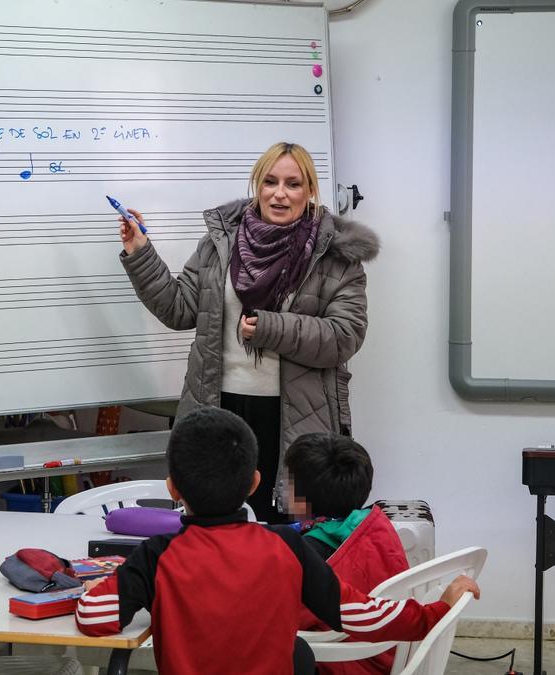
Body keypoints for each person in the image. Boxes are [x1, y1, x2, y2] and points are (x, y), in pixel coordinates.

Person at [74, 408, 478, 675]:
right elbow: (359, 614)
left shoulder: (155, 556)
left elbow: (93, 619)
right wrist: (435, 609)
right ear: (253, 483)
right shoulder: (287, 546)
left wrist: (100, 590)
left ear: (172, 489)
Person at [118, 142, 379, 523]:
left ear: (310, 191)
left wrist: (271, 328)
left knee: (285, 528)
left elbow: (344, 337)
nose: (279, 193)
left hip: (293, 417)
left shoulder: (336, 258)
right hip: (219, 407)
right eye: (270, 181)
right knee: (216, 526)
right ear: (257, 185)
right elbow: (179, 309)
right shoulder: (219, 244)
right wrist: (140, 252)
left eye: (293, 184)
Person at [282, 433, 411, 675]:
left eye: (286, 482)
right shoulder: (374, 525)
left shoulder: (312, 552)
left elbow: (285, 618)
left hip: (343, 661)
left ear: (300, 500)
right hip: (385, 653)